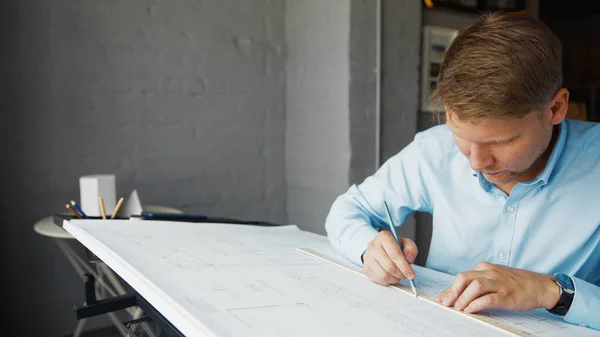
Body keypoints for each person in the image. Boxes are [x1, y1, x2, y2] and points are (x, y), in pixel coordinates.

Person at [324, 12, 599, 330]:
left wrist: (550, 291)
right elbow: (347, 210)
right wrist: (369, 249)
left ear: (556, 108)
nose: (476, 163)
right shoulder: (435, 151)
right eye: (463, 137)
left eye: (502, 141)